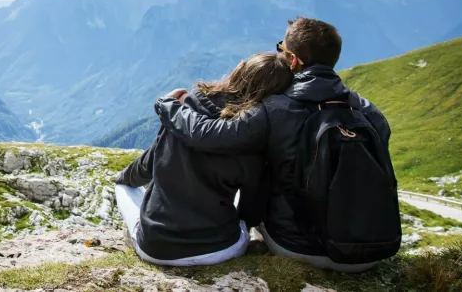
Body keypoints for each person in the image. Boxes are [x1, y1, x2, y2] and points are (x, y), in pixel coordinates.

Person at [158, 17, 397, 272]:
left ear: (293, 61)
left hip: (300, 247)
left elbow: (207, 135)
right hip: (372, 253)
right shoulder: (368, 112)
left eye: (282, 49)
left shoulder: (275, 109)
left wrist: (169, 106)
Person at [114, 52, 293, 266]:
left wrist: (122, 178)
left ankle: (137, 235)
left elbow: (148, 164)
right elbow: (251, 210)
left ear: (240, 72)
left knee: (123, 188)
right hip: (220, 249)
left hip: (157, 249)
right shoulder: (251, 140)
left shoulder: (181, 116)